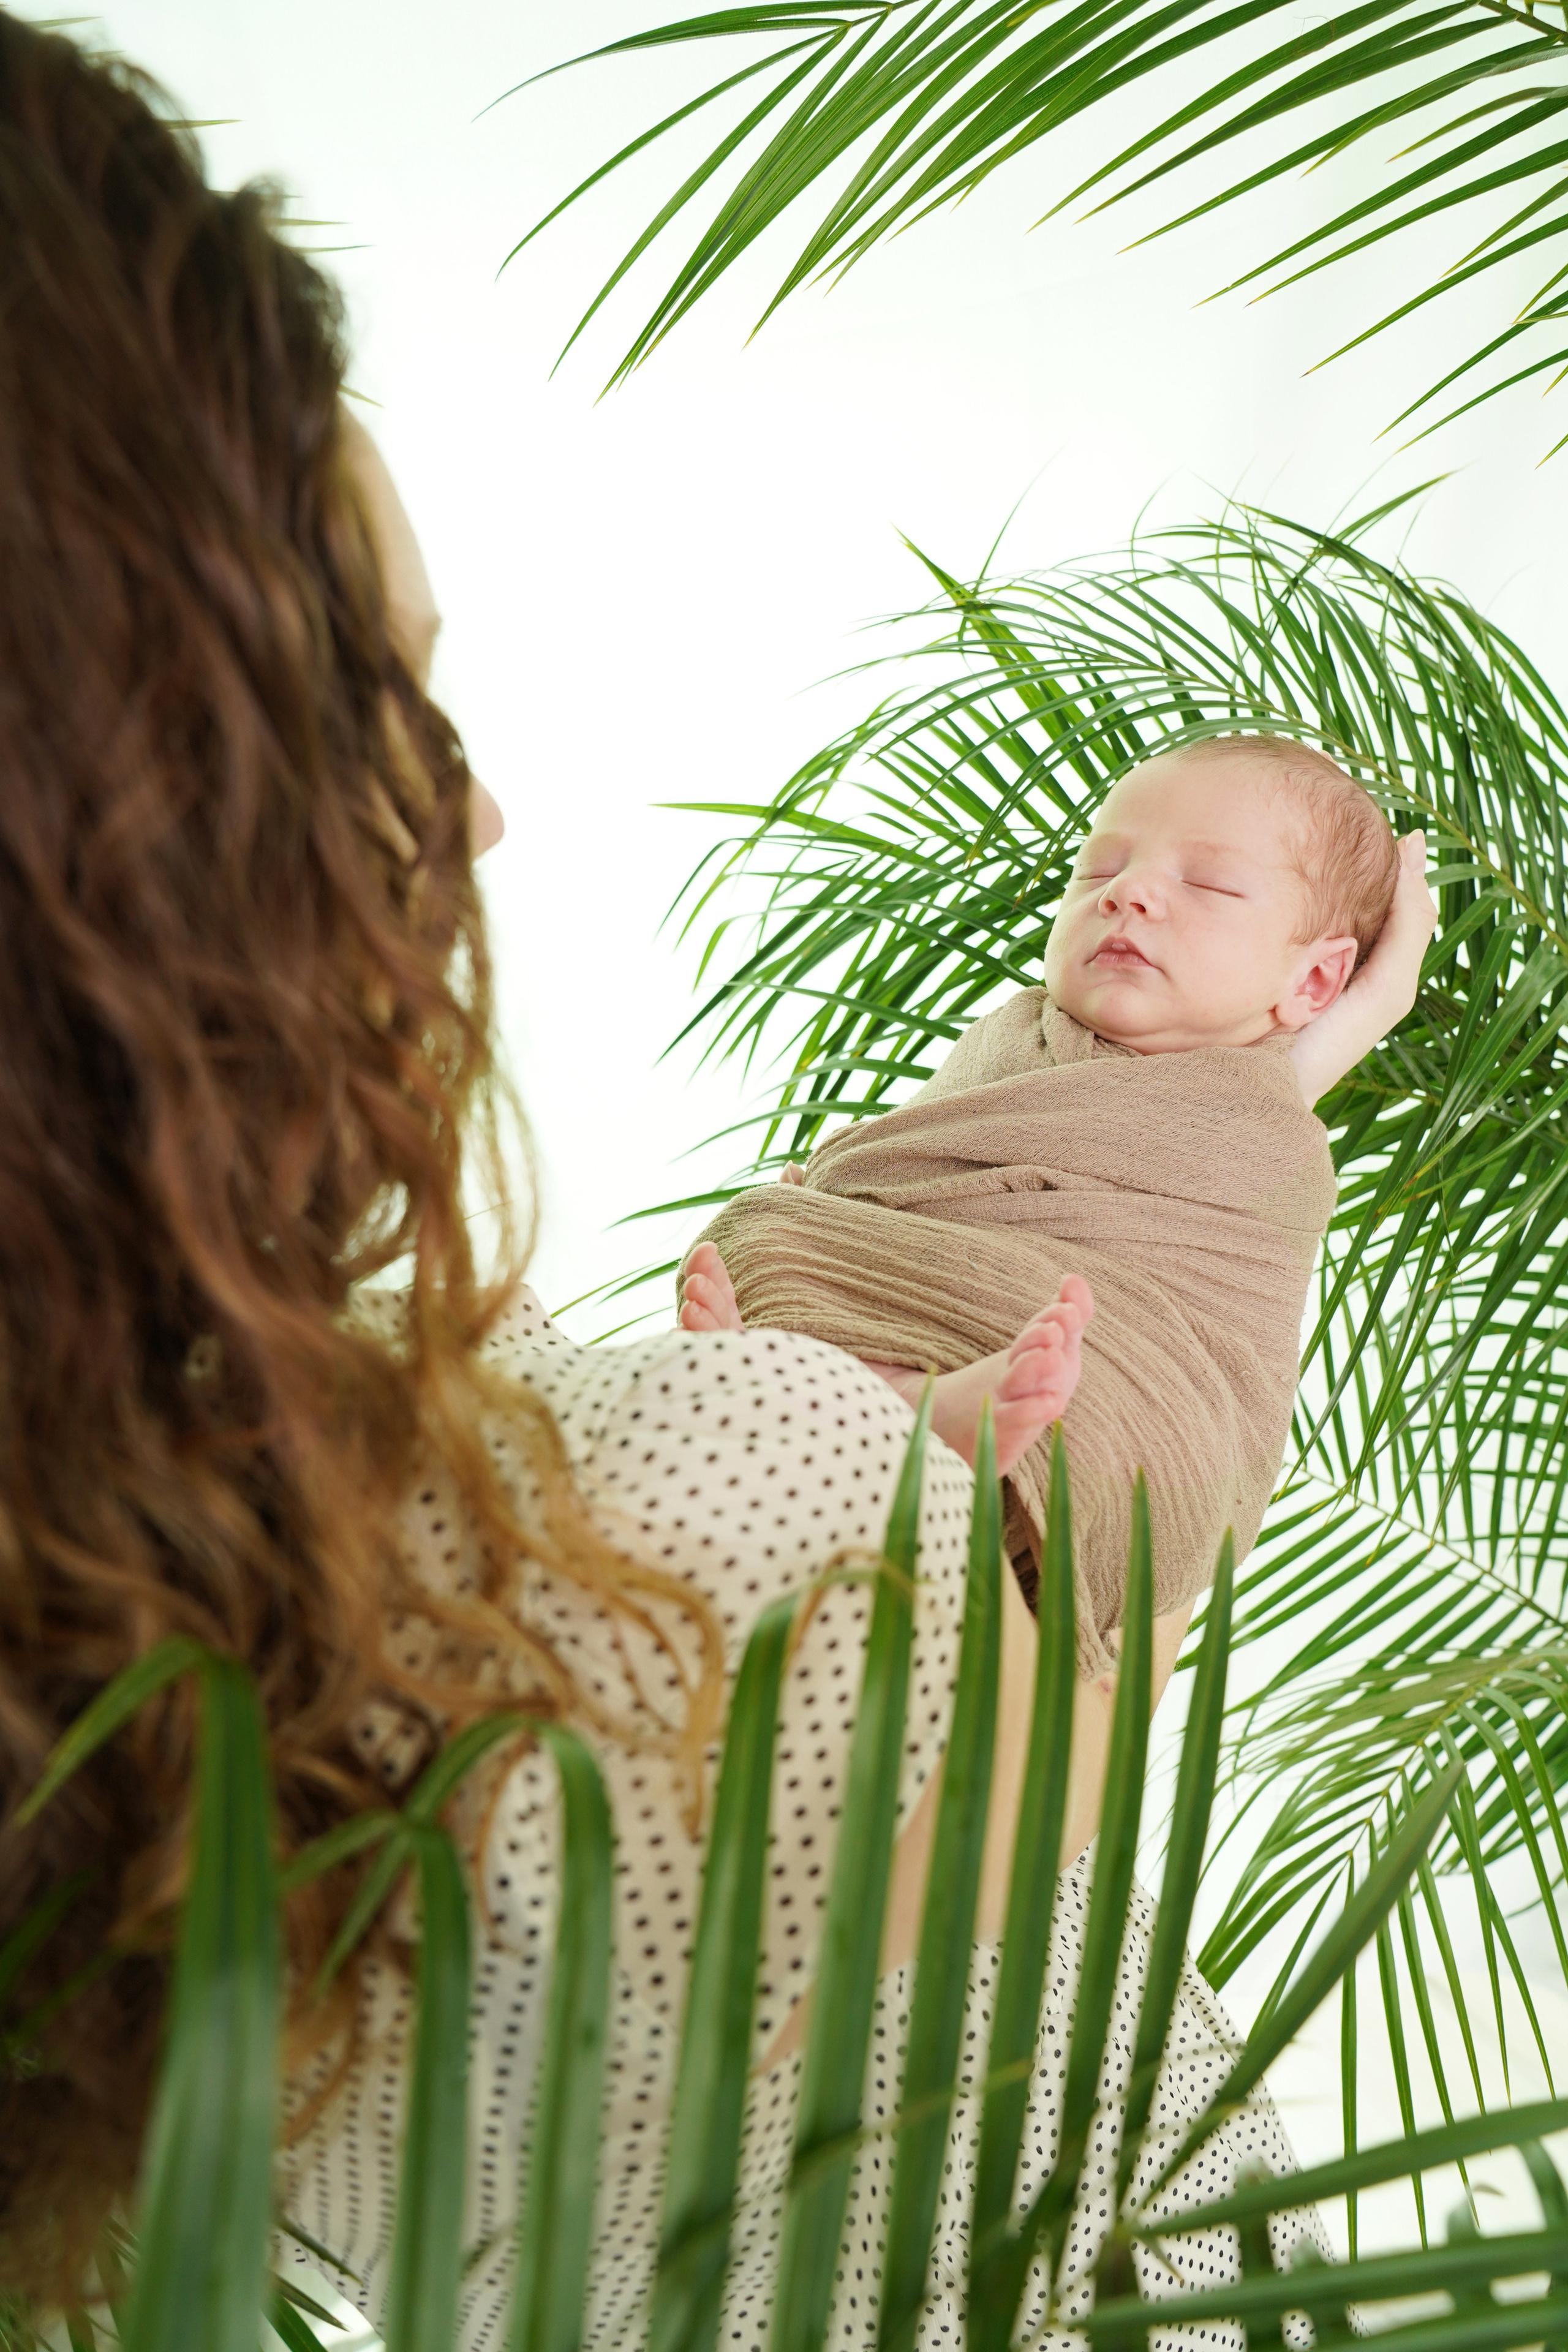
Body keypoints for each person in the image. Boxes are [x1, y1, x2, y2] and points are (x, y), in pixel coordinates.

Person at [0, 17, 1407, 2348]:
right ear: (111, 780)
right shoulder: (584, 1541)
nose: (470, 823)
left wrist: (1250, 1096)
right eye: (384, 703)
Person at [677, 744, 1436, 1675]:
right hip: (925, 1292)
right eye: (1101, 872)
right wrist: (827, 1204)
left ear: (1315, 985)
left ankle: (911, 1409)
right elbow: (904, 1177)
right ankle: (864, 1390)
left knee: (1133, 1416)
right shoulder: (1015, 1031)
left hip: (1118, 1354)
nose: (1129, 895)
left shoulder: (1266, 1128)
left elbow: (1217, 1315)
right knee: (763, 1225)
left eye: (1210, 886)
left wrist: (1370, 1006)